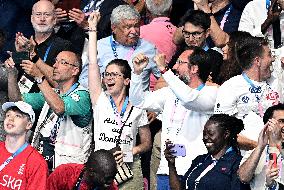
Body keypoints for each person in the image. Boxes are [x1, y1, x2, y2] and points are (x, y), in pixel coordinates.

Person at [130, 47, 218, 189]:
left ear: (194, 68)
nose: (175, 67)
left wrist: (165, 70)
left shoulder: (212, 93)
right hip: (166, 169)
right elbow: (139, 101)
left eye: (179, 62)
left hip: (194, 171)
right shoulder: (169, 93)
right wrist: (136, 73)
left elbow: (189, 99)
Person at [88, 12, 151, 189]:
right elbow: (93, 63)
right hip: (101, 169)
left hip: (129, 169)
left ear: (126, 80)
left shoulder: (138, 105)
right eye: (107, 74)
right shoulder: (99, 100)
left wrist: (131, 151)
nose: (109, 78)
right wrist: (92, 29)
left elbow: (147, 143)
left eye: (114, 74)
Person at [5, 50, 93, 172]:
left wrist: (39, 77)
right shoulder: (52, 93)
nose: (55, 66)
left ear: (75, 70)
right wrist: (11, 75)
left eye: (63, 62)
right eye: (55, 61)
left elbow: (59, 107)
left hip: (66, 170)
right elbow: (17, 100)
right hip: (41, 163)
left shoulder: (83, 95)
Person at [214, 36, 284, 151]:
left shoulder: (278, 81)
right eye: (269, 55)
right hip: (247, 156)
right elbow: (221, 131)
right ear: (257, 61)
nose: (272, 59)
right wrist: (258, 146)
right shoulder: (231, 87)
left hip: (279, 151)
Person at [80, 5, 160, 90]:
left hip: (137, 101)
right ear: (114, 28)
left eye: (136, 26)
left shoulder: (149, 48)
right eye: (127, 27)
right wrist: (102, 82)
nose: (133, 31)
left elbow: (163, 78)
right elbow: (83, 79)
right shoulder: (99, 46)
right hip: (106, 99)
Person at [165, 114, 250, 190]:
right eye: (204, 134)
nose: (205, 138)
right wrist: (171, 164)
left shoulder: (237, 163)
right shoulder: (200, 160)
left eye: (211, 134)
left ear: (226, 134)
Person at [11, 0, 72, 93]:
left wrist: (34, 57)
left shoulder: (64, 46)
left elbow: (62, 84)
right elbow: (16, 75)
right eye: (38, 14)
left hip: (45, 103)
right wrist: (15, 59)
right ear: (32, 18)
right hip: (18, 99)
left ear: (55, 19)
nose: (42, 19)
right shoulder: (23, 43)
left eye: (47, 15)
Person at [0, 101, 48, 189]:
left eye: (18, 116)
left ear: (29, 125)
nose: (10, 119)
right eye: (8, 115)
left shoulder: (36, 162)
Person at [238, 103, 284, 189]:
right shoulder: (255, 152)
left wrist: (278, 143)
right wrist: (259, 147)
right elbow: (243, 178)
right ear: (268, 124)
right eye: (281, 121)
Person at [140, 0, 177, 91]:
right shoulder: (178, 32)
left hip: (145, 86)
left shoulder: (140, 32)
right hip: (169, 85)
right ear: (171, 9)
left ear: (147, 11)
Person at [47, 149, 118, 190]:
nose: (111, 182)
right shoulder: (65, 173)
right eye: (107, 178)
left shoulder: (111, 187)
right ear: (91, 172)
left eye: (113, 177)